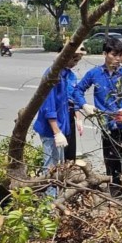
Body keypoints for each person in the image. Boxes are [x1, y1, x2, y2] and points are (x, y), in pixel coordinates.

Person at [76, 38, 122, 195]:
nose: (117, 59)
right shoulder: (95, 73)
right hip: (107, 125)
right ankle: (115, 194)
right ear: (105, 54)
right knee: (112, 162)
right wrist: (84, 105)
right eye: (114, 55)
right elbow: (77, 90)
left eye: (120, 55)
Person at [33, 45, 86, 195]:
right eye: (73, 58)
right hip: (51, 129)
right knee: (51, 166)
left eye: (78, 59)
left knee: (60, 166)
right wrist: (56, 132)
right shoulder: (53, 74)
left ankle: (56, 196)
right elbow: (48, 106)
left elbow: (70, 99)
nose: (75, 62)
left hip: (62, 126)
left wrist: (79, 115)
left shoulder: (67, 75)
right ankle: (49, 203)